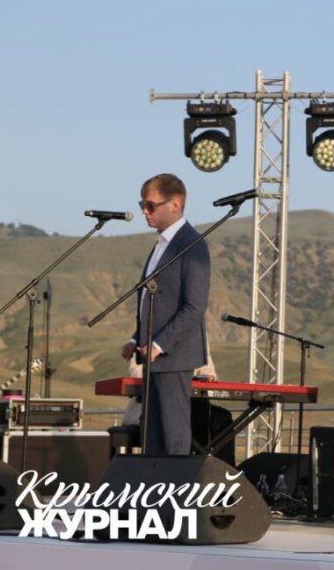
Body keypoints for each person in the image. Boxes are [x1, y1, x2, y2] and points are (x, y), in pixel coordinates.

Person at [120, 173, 210, 456]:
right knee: (152, 434)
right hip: (151, 353)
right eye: (142, 205)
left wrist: (160, 344)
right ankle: (155, 483)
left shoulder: (192, 244)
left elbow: (194, 305)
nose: (145, 212)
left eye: (150, 205)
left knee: (173, 434)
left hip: (174, 355)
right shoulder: (161, 244)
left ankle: (176, 483)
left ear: (174, 204)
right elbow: (153, 301)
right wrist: (136, 338)